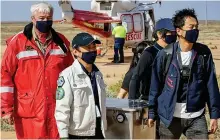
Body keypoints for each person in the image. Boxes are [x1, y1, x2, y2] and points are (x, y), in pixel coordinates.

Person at [0, 2, 73, 139]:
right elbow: (5, 75)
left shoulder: (61, 42)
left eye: (48, 18)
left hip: (57, 109)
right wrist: (6, 108)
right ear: (33, 19)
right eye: (41, 18)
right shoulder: (18, 42)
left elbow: (71, 73)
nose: (45, 21)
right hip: (29, 111)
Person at [148, 8, 220, 139]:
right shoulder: (165, 54)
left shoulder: (204, 53)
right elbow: (155, 86)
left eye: (196, 27)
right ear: (179, 31)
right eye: (191, 27)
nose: (195, 30)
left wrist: (214, 115)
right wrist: (152, 113)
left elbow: (211, 84)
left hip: (196, 117)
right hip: (169, 117)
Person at [55, 32, 107, 139]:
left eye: (94, 47)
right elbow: (62, 110)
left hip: (99, 132)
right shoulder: (67, 76)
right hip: (79, 135)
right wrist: (64, 136)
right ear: (76, 52)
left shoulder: (98, 74)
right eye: (88, 48)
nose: (92, 51)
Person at [129, 18, 177, 100]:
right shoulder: (149, 53)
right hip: (150, 99)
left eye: (175, 32)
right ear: (159, 34)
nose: (173, 35)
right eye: (170, 32)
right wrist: (132, 101)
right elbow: (136, 77)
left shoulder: (174, 52)